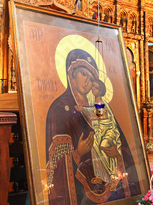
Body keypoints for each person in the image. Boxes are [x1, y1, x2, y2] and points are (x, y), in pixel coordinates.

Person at [45, 49, 140, 204]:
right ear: (72, 75)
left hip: (110, 181)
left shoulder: (100, 107)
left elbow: (118, 140)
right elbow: (53, 163)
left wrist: (116, 152)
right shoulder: (59, 108)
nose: (87, 81)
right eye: (83, 74)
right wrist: (77, 153)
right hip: (80, 188)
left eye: (91, 78)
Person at [89, 79, 122, 187]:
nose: (93, 89)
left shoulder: (100, 103)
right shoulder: (93, 103)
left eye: (96, 88)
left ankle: (113, 176)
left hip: (109, 130)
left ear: (100, 91)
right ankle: (100, 175)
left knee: (103, 147)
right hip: (100, 130)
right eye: (93, 86)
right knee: (94, 145)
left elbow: (101, 118)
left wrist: (83, 110)